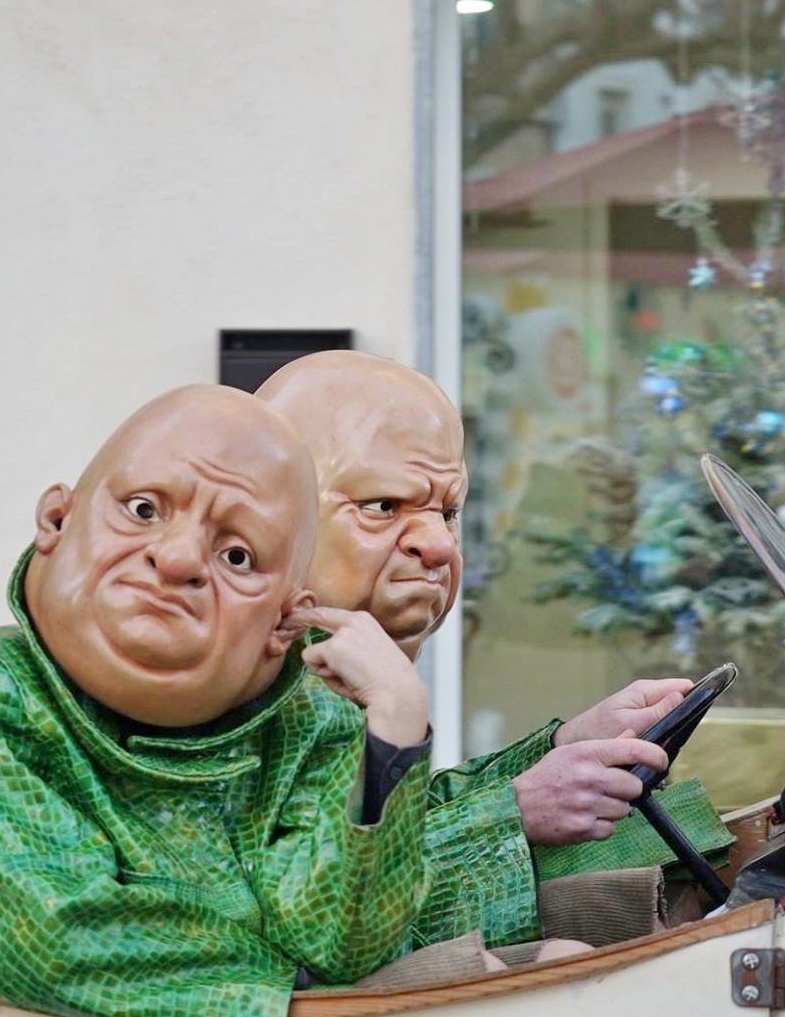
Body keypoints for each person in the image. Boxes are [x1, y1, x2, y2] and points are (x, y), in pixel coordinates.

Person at [0, 386, 443, 1017]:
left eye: (237, 556)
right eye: (143, 510)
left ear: (285, 620)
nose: (179, 559)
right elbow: (50, 929)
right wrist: (293, 989)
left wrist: (396, 727)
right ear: (56, 520)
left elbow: (343, 943)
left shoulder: (311, 727)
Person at [259, 351, 731, 950]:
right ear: (275, 515)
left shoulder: (324, 669)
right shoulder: (234, 684)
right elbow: (312, 923)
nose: (438, 544)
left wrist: (562, 746)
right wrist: (516, 811)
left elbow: (406, 819)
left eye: (447, 512)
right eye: (382, 507)